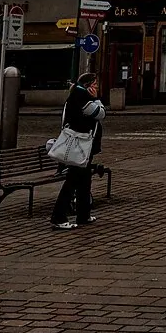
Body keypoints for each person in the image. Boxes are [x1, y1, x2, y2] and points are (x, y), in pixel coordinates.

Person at [51, 75, 106, 229]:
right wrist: (97, 99)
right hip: (80, 145)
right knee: (73, 180)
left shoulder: (79, 95)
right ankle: (58, 216)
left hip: (85, 145)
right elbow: (99, 113)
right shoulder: (81, 96)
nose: (96, 87)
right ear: (88, 85)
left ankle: (83, 214)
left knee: (84, 180)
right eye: (95, 84)